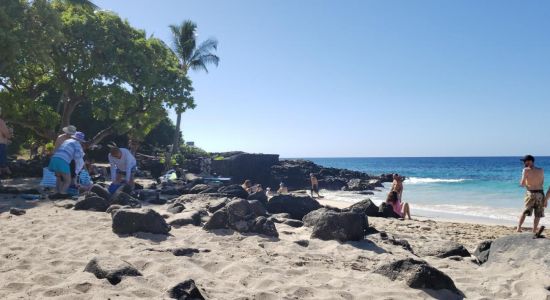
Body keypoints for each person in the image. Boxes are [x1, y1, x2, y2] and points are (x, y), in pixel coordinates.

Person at [48, 132, 86, 198]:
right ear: (80, 140)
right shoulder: (77, 144)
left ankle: (56, 192)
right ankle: (62, 193)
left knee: (59, 178)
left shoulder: (67, 141)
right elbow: (79, 156)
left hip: (54, 159)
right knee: (67, 180)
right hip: (62, 161)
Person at [517, 155, 546, 233]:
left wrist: (522, 184)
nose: (524, 163)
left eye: (525, 161)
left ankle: (519, 228)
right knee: (538, 213)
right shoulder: (541, 170)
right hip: (540, 193)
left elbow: (522, 184)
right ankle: (534, 230)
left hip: (531, 193)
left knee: (525, 211)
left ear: (530, 161)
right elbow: (542, 183)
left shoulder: (526, 170)